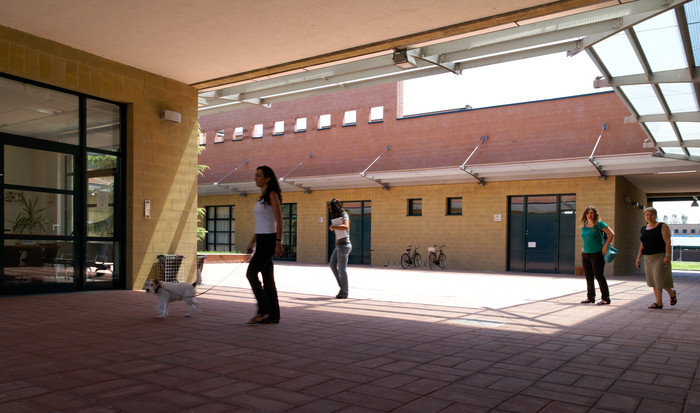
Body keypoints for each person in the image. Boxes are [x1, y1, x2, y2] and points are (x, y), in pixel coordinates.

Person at [246, 166, 283, 324]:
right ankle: (273, 315)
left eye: (259, 175)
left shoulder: (272, 195)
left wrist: (278, 242)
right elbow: (261, 223)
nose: (256, 178)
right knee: (268, 280)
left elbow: (279, 220)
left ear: (268, 178)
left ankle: (263, 310)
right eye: (255, 175)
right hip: (261, 239)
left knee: (251, 273)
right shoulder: (261, 197)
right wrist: (252, 242)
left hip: (269, 240)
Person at [636, 207, 676, 309]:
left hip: (660, 256)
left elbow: (667, 242)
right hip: (648, 258)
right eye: (647, 215)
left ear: (655, 215)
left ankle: (670, 294)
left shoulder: (662, 226)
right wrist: (638, 257)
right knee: (653, 280)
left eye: (651, 214)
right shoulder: (644, 228)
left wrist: (668, 256)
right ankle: (659, 302)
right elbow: (642, 244)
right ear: (645, 216)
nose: (649, 216)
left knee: (659, 279)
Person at [579, 205, 615, 305]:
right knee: (588, 276)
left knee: (599, 276)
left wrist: (605, 247)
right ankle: (590, 297)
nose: (590, 215)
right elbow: (586, 239)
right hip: (585, 254)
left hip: (597, 254)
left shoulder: (599, 224)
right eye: (588, 213)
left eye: (592, 213)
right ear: (585, 215)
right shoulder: (584, 226)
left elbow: (612, 234)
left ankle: (605, 298)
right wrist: (583, 249)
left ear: (595, 214)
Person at [328, 199, 351, 299]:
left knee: (342, 269)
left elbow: (346, 226)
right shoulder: (336, 217)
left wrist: (334, 227)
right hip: (338, 245)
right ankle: (343, 288)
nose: (330, 210)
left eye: (330, 208)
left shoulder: (344, 214)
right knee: (332, 265)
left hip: (344, 245)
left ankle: (344, 292)